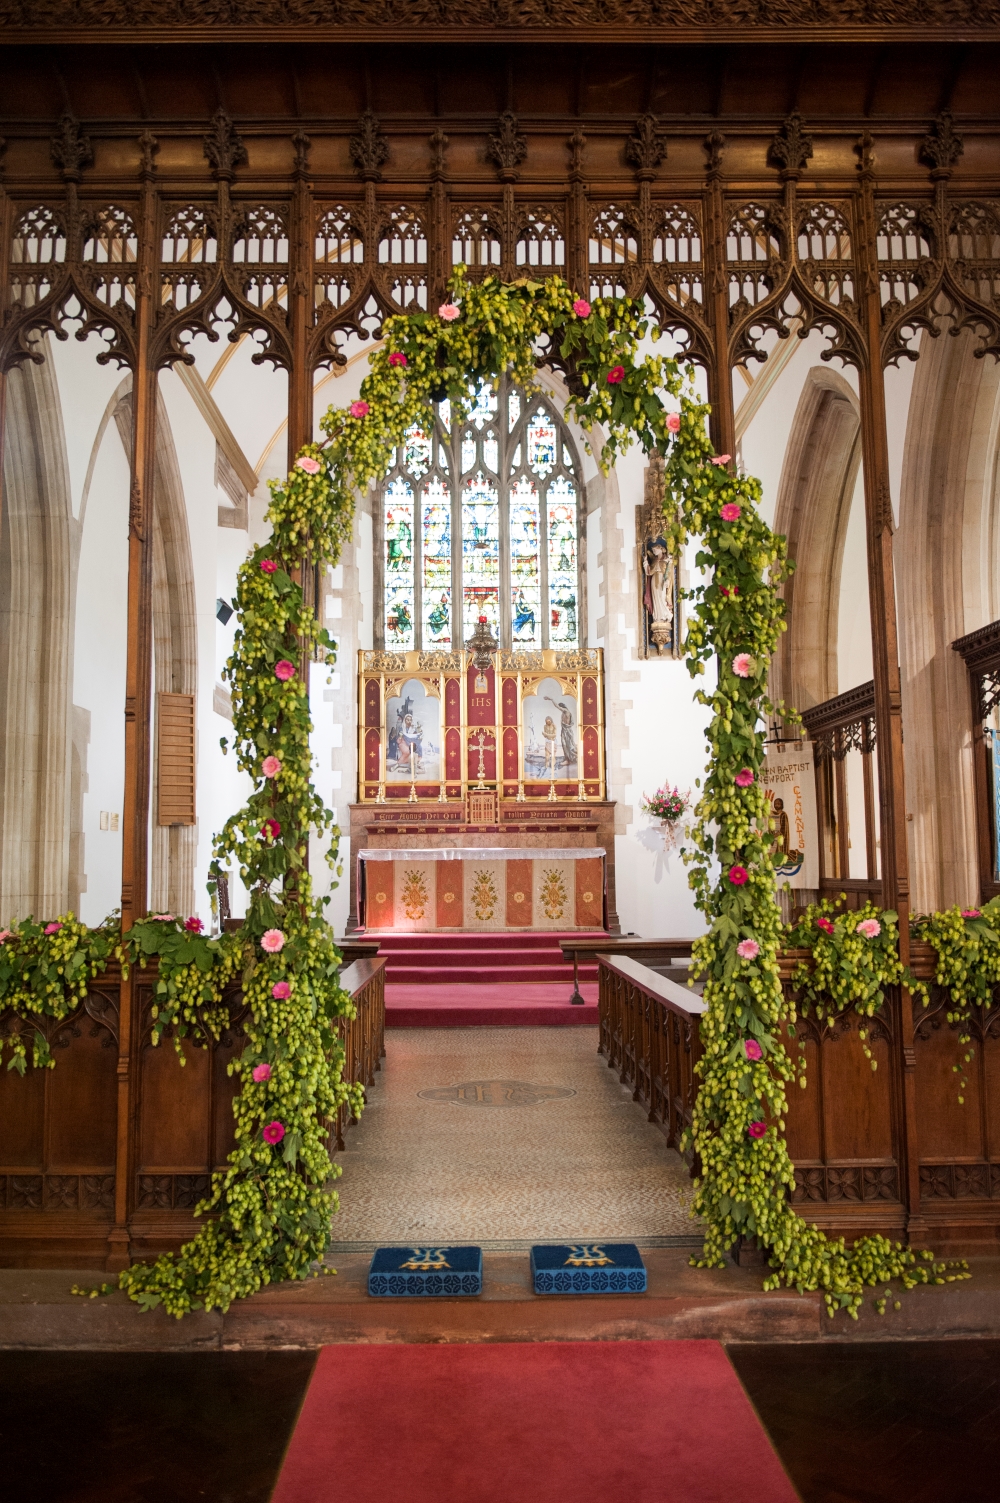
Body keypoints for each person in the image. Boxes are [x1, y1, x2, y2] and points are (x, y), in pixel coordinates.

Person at [643, 540, 672, 625]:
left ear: (660, 549)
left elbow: (669, 573)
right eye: (653, 550)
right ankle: (657, 617)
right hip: (654, 581)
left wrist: (667, 581)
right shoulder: (654, 561)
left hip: (662, 581)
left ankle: (665, 615)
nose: (654, 551)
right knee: (655, 599)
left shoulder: (666, 560)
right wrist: (645, 562)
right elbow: (649, 572)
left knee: (662, 597)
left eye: (655, 550)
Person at [545, 695, 575, 770]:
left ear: (563, 707)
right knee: (565, 745)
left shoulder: (566, 711)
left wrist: (551, 699)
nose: (560, 709)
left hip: (567, 731)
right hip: (565, 730)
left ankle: (568, 760)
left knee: (567, 745)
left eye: (560, 707)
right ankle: (567, 758)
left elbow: (557, 707)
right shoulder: (566, 713)